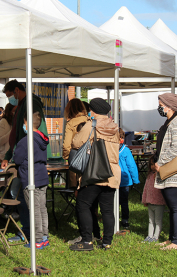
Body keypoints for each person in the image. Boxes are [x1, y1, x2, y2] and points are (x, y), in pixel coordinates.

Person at [70, 98, 120, 252]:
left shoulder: (91, 125)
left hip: (94, 171)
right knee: (107, 209)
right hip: (112, 173)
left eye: (90, 109)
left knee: (83, 204)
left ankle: (87, 240)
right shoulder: (115, 127)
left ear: (93, 110)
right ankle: (107, 242)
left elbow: (76, 143)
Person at [0, 80, 48, 244]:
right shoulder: (21, 105)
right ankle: (34, 232)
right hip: (25, 161)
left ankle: (33, 233)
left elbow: (34, 130)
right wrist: (8, 155)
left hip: (28, 164)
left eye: (9, 95)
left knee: (29, 201)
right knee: (30, 201)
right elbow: (16, 133)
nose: (9, 99)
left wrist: (17, 155)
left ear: (16, 90)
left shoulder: (31, 103)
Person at [153, 93, 177, 250]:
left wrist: (160, 163)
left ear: (168, 106)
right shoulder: (170, 122)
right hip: (170, 173)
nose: (159, 107)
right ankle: (172, 239)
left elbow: (176, 147)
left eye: (160, 104)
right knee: (173, 208)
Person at [63, 99, 101, 245]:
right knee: (93, 203)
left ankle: (84, 235)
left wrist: (70, 158)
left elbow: (67, 146)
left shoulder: (71, 123)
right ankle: (96, 233)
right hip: (93, 165)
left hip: (79, 167)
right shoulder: (91, 120)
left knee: (81, 202)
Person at [13, 111, 50, 249]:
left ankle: (37, 239)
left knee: (34, 210)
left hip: (30, 178)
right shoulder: (42, 139)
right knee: (41, 208)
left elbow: (17, 159)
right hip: (42, 176)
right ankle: (44, 236)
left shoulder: (26, 141)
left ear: (27, 123)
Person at [118, 128, 140, 229]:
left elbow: (131, 166)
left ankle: (124, 219)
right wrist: (135, 180)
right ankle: (123, 219)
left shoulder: (124, 150)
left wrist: (135, 179)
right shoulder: (124, 150)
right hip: (121, 180)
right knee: (123, 202)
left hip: (123, 181)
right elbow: (132, 166)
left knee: (121, 202)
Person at [142, 157, 166, 243]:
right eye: (151, 164)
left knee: (158, 220)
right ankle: (149, 236)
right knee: (151, 220)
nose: (153, 166)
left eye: (154, 164)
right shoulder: (149, 175)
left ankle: (156, 237)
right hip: (150, 202)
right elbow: (145, 188)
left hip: (159, 203)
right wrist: (144, 200)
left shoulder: (161, 175)